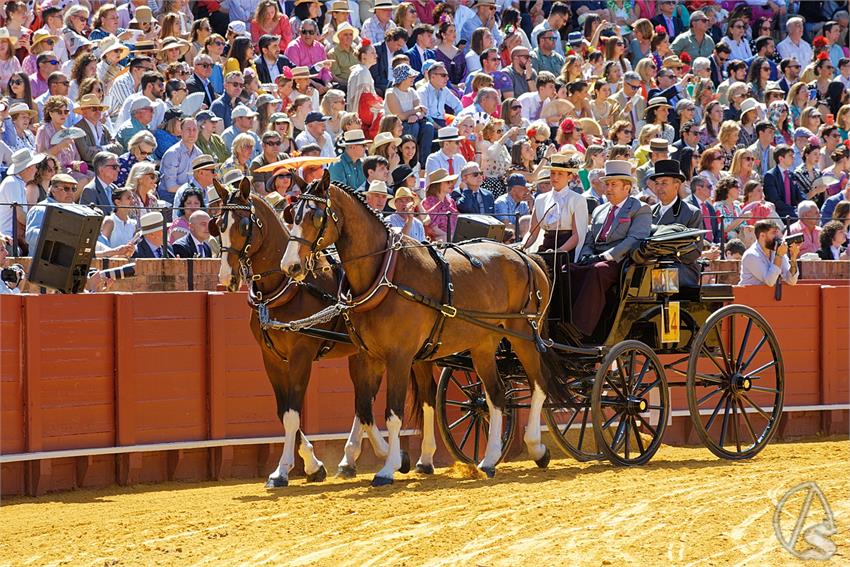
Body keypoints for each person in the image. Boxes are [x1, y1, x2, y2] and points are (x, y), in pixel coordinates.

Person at [568, 160, 651, 337]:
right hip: (596, 258)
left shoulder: (639, 208)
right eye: (607, 184)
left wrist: (605, 256)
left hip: (621, 262)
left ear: (627, 188)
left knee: (596, 271)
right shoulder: (600, 210)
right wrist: (587, 255)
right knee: (567, 270)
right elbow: (590, 238)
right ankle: (560, 321)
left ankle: (579, 329)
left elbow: (634, 239)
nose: (608, 189)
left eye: (614, 185)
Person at [648, 159, 704, 286]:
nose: (659, 187)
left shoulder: (691, 212)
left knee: (661, 273)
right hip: (651, 264)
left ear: (676, 185)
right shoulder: (648, 212)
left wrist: (665, 253)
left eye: (664, 183)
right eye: (657, 183)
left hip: (682, 268)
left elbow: (695, 250)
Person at [24, 173, 78, 253]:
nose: (70, 192)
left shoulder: (78, 210)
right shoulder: (41, 209)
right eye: (66, 189)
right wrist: (56, 234)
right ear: (53, 190)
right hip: (43, 261)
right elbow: (30, 236)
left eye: (73, 189)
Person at [739, 219, 799, 287]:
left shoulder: (777, 250)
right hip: (748, 296)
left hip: (767, 296)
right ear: (762, 236)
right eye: (773, 233)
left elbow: (791, 281)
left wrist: (793, 257)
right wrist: (779, 256)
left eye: (777, 232)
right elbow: (770, 281)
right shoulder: (751, 255)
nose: (778, 237)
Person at [763, 145, 805, 219]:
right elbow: (775, 200)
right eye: (790, 155)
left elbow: (799, 195)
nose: (793, 157)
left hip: (792, 211)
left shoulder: (791, 175)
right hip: (779, 214)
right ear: (781, 158)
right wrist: (793, 210)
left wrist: (808, 205)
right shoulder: (770, 176)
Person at [173, 155, 217, 219]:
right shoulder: (184, 191)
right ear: (201, 173)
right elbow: (177, 219)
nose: (215, 174)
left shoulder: (210, 191)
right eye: (213, 171)